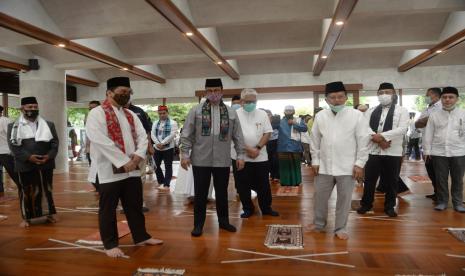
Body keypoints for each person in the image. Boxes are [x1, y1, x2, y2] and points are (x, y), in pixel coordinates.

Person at [86, 77, 162, 258]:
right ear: (109, 93)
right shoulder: (97, 113)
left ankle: (141, 236)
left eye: (128, 92)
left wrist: (137, 157)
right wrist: (122, 161)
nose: (125, 95)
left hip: (133, 169)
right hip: (108, 170)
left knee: (134, 206)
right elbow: (98, 138)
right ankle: (110, 244)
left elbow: (143, 136)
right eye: (122, 92)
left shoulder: (131, 114)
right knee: (108, 209)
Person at [180, 78, 245, 237]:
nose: (213, 93)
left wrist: (241, 155)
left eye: (216, 90)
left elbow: (238, 136)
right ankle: (198, 225)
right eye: (210, 91)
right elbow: (187, 134)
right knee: (200, 193)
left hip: (222, 160)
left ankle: (224, 222)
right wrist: (184, 154)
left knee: (222, 192)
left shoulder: (230, 112)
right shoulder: (196, 110)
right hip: (200, 159)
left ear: (222, 91)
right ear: (205, 92)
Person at [310, 81, 369, 240]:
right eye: (333, 97)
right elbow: (314, 140)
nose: (337, 100)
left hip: (348, 166)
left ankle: (340, 228)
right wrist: (315, 160)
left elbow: (363, 140)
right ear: (327, 99)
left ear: (346, 97)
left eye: (340, 97)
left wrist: (359, 163)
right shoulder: (321, 115)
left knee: (344, 200)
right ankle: (319, 224)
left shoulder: (356, 115)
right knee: (320, 198)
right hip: (324, 166)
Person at [357, 83, 409, 217]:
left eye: (387, 92)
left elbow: (403, 129)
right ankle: (366, 204)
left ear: (393, 94)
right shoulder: (371, 110)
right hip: (373, 150)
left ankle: (390, 206)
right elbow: (364, 127)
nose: (384, 95)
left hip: (393, 151)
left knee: (392, 181)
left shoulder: (402, 110)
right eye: (381, 92)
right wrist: (378, 139)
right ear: (377, 95)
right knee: (369, 180)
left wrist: (383, 136)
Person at [8, 97, 59, 228]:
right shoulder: (13, 126)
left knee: (46, 189)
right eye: (29, 107)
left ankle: (49, 214)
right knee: (26, 191)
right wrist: (29, 157)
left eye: (35, 107)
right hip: (25, 164)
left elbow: (55, 144)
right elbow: (13, 146)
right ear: (22, 108)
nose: (33, 109)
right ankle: (26, 218)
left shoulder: (49, 124)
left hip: (45, 163)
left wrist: (49, 156)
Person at [232, 88, 279, 218]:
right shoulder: (234, 114)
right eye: (248, 101)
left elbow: (267, 132)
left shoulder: (262, 114)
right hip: (240, 156)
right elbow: (232, 136)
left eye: (254, 101)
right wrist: (248, 149)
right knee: (242, 185)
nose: (251, 104)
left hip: (260, 156)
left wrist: (257, 148)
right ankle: (248, 208)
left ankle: (266, 208)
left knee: (263, 184)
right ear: (241, 101)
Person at [422, 86, 465, 213]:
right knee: (441, 179)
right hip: (438, 152)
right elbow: (428, 134)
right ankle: (442, 202)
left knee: (458, 179)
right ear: (441, 99)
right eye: (445, 97)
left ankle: (458, 203)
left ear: (457, 99)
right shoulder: (434, 115)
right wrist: (427, 151)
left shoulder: (463, 114)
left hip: (459, 152)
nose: (447, 100)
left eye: (451, 97)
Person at [415, 87, 442, 201]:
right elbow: (418, 123)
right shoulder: (428, 108)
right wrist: (423, 121)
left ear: (435, 95)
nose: (426, 97)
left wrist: (426, 120)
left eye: (428, 95)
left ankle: (442, 195)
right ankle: (436, 192)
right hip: (426, 144)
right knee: (430, 170)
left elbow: (432, 121)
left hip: (438, 145)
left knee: (439, 172)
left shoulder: (441, 107)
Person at [277, 105, 307, 186]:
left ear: (294, 112)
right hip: (282, 147)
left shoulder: (298, 120)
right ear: (284, 112)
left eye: (290, 111)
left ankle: (296, 181)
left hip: (295, 147)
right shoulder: (280, 121)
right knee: (284, 165)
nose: (288, 112)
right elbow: (271, 127)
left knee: (295, 165)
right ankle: (284, 181)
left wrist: (294, 123)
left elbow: (304, 128)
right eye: (287, 111)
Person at [151, 105, 178, 190]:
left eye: (164, 113)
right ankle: (161, 181)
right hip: (157, 147)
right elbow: (152, 134)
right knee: (155, 165)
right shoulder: (155, 122)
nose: (162, 115)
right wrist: (157, 143)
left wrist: (162, 143)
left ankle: (166, 185)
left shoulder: (173, 123)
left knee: (168, 166)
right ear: (158, 114)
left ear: (167, 113)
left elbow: (172, 135)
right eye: (160, 113)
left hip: (168, 148)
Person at [0, 105, 19, 193]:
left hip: (6, 152)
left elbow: (13, 136)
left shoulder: (5, 121)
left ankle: (24, 188)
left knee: (13, 172)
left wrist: (13, 149)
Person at [85, 101, 101, 193]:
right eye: (90, 108)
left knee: (99, 169)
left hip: (100, 150)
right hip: (90, 149)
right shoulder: (88, 119)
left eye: (94, 108)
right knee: (93, 168)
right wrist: (86, 148)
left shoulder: (102, 119)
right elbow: (87, 135)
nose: (91, 110)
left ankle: (101, 188)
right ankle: (98, 187)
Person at [265, 110, 280, 182]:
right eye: (267, 115)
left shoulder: (276, 122)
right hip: (267, 142)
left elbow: (277, 127)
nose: (268, 116)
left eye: (269, 115)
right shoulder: (263, 122)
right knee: (269, 159)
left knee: (275, 159)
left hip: (276, 142)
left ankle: (277, 175)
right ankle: (272, 174)